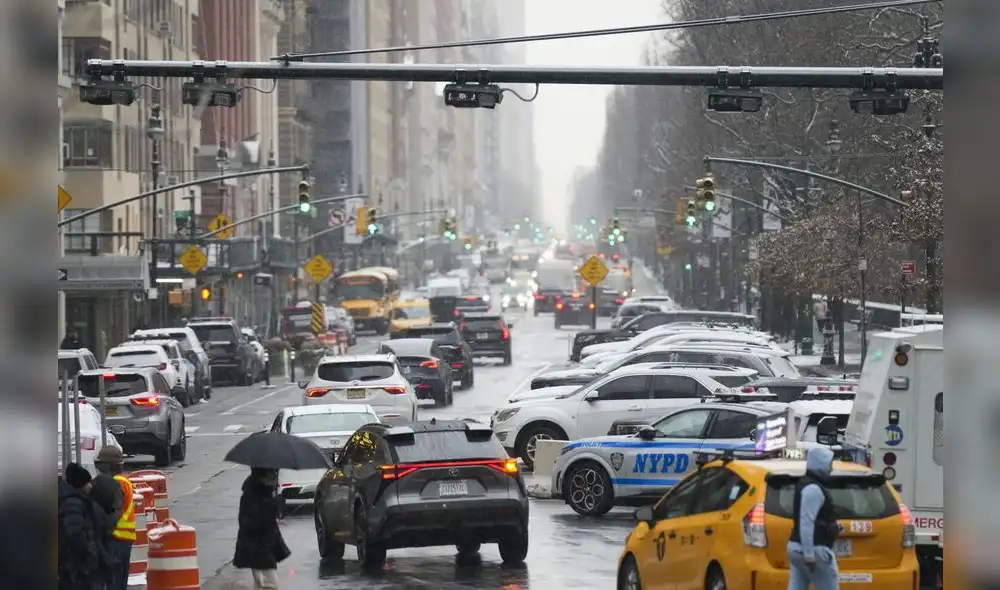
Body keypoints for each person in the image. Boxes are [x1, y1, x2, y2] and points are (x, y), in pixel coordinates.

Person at [787, 446, 840, 590]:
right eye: (829, 464)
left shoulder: (804, 484)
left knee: (797, 585)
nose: (831, 469)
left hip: (797, 548)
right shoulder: (813, 489)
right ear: (820, 464)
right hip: (815, 549)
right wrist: (809, 554)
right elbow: (806, 522)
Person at [233, 468, 290, 590]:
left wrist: (277, 507)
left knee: (262, 584)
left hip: (265, 548)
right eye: (273, 477)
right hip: (258, 549)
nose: (277, 481)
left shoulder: (266, 495)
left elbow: (273, 520)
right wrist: (269, 508)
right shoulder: (253, 497)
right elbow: (249, 523)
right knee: (270, 584)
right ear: (264, 478)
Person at [93, 446, 133, 590]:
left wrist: (104, 529)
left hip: (116, 539)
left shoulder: (116, 483)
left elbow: (114, 511)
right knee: (119, 582)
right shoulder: (123, 481)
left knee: (113, 583)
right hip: (123, 539)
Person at [59, 463, 103, 590]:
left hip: (75, 566)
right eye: (88, 483)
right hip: (77, 567)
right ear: (80, 485)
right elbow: (74, 533)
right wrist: (89, 553)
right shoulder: (73, 503)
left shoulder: (74, 500)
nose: (90, 486)